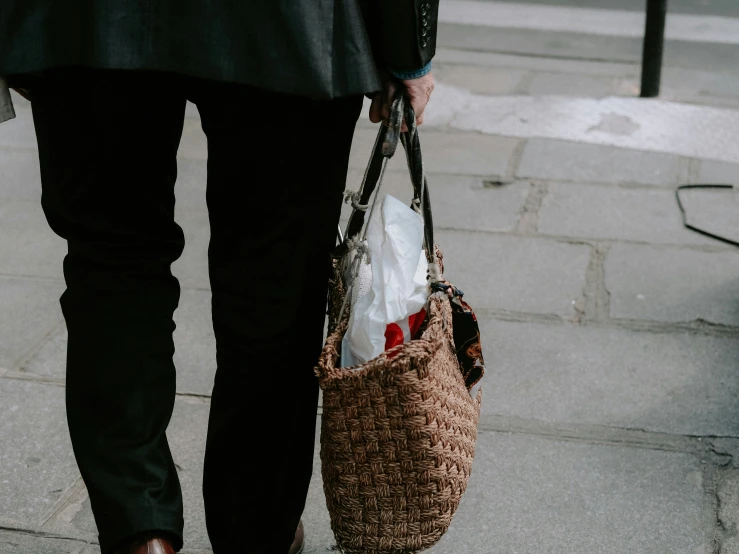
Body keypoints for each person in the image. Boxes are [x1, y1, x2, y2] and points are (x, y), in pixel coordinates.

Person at [0, 2, 438, 553]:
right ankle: (256, 528)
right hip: (292, 23)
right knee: (276, 277)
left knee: (111, 260)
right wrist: (408, 46)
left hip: (88, 20)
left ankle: (141, 531)